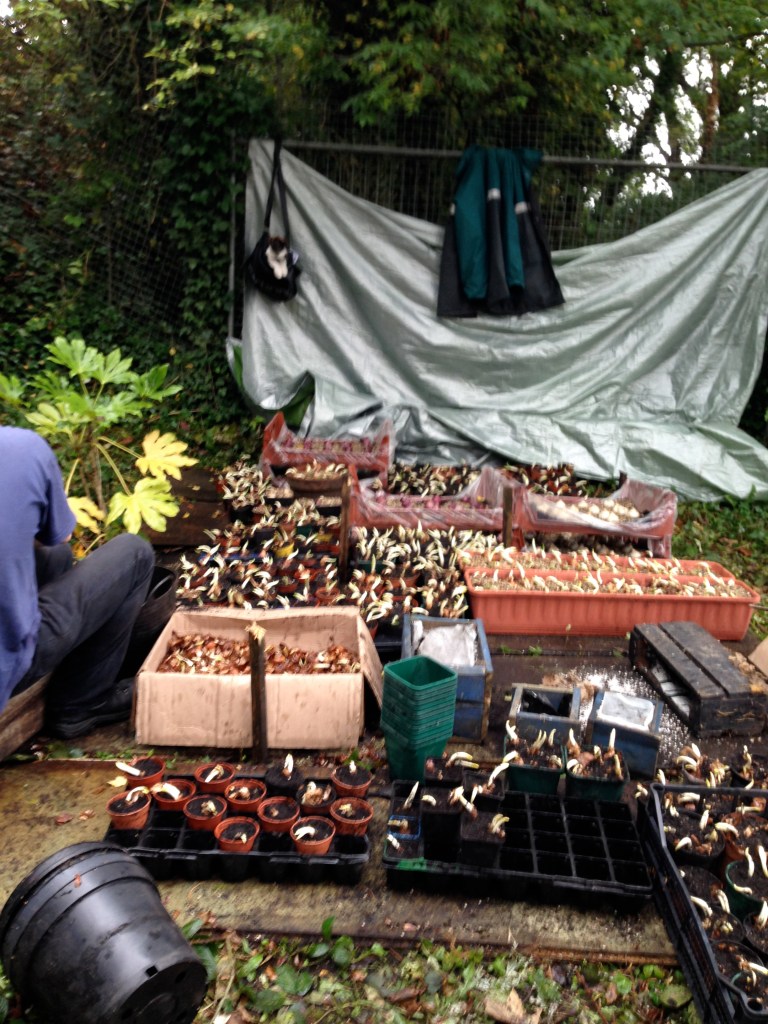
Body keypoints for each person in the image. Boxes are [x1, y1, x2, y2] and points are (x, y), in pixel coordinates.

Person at [0, 425, 155, 738]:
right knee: (134, 553)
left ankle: (58, 664)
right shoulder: (20, 448)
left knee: (54, 556)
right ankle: (79, 703)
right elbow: (60, 533)